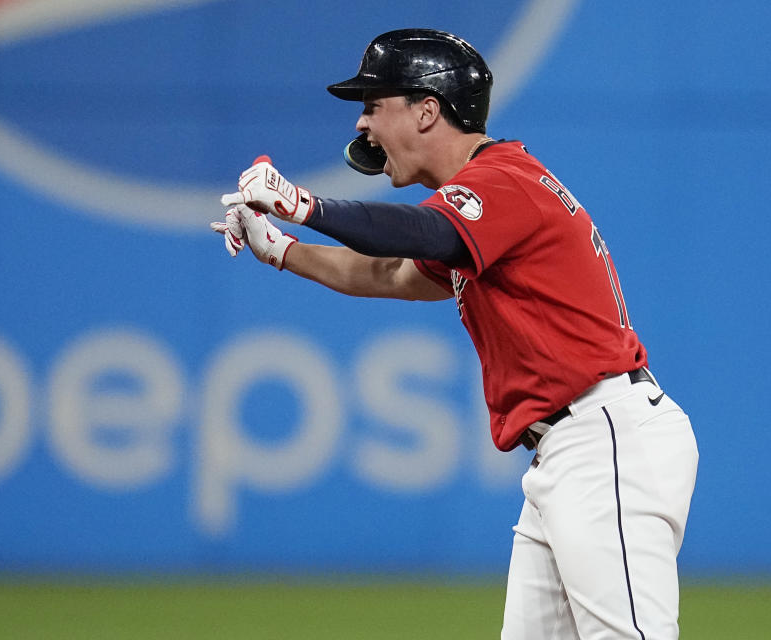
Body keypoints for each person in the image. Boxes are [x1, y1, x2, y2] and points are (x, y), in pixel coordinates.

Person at [211, 28, 699, 640]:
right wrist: (283, 249)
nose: (362, 124)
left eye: (373, 105)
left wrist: (306, 206)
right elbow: (393, 272)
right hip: (568, 450)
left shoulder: (501, 181)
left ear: (426, 110)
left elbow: (419, 236)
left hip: (605, 439)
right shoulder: (481, 199)